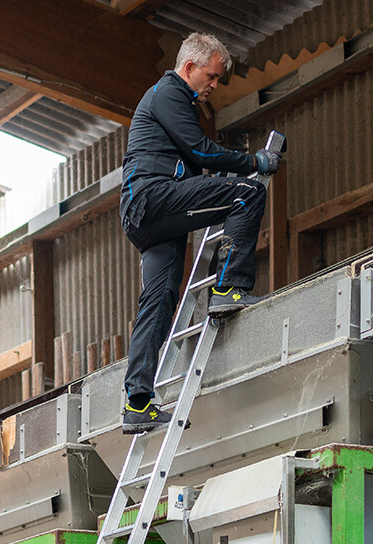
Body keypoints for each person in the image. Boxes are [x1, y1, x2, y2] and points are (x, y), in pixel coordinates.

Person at [119, 32, 282, 434]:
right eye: (211, 76)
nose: (214, 85)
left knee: (159, 301)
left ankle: (137, 401)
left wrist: (217, 174)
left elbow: (195, 161)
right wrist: (252, 161)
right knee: (245, 193)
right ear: (189, 67)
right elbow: (201, 152)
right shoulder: (169, 93)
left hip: (147, 215)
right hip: (155, 198)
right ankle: (228, 288)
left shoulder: (170, 100)